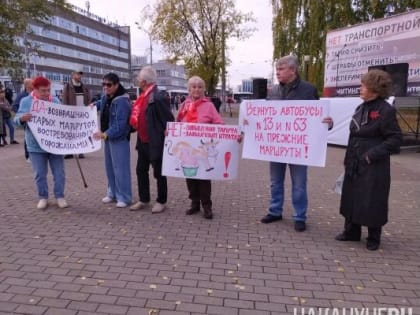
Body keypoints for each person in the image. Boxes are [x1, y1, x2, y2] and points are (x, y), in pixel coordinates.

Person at [260, 55, 333, 232]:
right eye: (277, 69)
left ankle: (300, 216)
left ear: (293, 70)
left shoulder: (308, 90)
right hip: (277, 146)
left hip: (298, 147)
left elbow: (317, 117)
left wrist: (327, 123)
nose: (277, 72)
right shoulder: (274, 91)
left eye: (281, 69)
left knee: (299, 183)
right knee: (275, 182)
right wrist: (251, 123)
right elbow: (264, 115)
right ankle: (275, 211)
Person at [335, 69, 402, 251]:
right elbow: (354, 134)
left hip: (373, 162)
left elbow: (395, 139)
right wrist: (348, 156)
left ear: (374, 88)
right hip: (355, 158)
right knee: (351, 195)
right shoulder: (360, 107)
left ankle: (374, 237)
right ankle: (351, 232)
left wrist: (371, 155)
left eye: (363, 85)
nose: (360, 88)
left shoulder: (385, 110)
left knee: (372, 198)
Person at [13, 76, 68, 210]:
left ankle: (59, 196)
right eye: (43, 91)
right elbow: (16, 120)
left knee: (59, 172)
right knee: (39, 174)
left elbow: (64, 118)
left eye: (48, 90)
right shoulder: (26, 101)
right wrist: (22, 118)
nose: (46, 94)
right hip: (35, 145)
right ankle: (43, 197)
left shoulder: (54, 100)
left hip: (55, 144)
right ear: (35, 90)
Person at [176, 76, 224, 219]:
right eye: (194, 87)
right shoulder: (184, 105)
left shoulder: (209, 106)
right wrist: (170, 132)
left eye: (199, 87)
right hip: (188, 150)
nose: (197, 89)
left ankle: (207, 206)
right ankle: (194, 203)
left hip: (202, 149)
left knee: (204, 178)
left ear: (204, 89)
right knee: (190, 177)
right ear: (189, 89)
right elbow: (177, 122)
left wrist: (232, 136)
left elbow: (219, 124)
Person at [129, 66, 174, 213]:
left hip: (155, 142)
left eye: (138, 79)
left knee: (159, 172)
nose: (137, 81)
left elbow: (169, 119)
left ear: (143, 81)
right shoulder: (143, 96)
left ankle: (161, 201)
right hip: (142, 141)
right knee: (141, 170)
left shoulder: (158, 97)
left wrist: (167, 134)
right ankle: (144, 199)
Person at [92, 73, 132, 208]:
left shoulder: (122, 101)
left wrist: (105, 134)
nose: (105, 87)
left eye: (109, 85)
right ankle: (112, 193)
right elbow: (101, 104)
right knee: (110, 168)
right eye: (103, 84)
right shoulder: (106, 97)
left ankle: (124, 197)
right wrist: (92, 106)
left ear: (116, 84)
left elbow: (120, 125)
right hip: (107, 138)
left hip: (119, 139)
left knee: (121, 168)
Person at [62, 68, 90, 159]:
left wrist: (89, 108)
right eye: (77, 74)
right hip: (72, 113)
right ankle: (69, 151)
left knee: (81, 132)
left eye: (80, 74)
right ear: (73, 75)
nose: (79, 76)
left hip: (82, 113)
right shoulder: (67, 86)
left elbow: (88, 98)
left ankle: (81, 151)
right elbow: (64, 99)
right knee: (70, 132)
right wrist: (67, 111)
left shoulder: (84, 86)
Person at [13, 78, 33, 159]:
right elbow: (14, 106)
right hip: (26, 121)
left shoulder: (35, 94)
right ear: (26, 85)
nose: (33, 85)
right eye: (31, 84)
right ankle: (27, 155)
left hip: (35, 121)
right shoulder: (22, 96)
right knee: (27, 137)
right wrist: (22, 115)